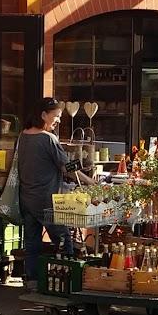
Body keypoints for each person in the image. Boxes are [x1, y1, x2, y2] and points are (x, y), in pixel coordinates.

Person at [17, 97, 94, 290]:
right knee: (63, 240)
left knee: (32, 242)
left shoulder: (23, 136)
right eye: (56, 116)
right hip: (47, 200)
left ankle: (32, 280)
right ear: (43, 115)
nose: (59, 120)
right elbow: (67, 167)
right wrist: (89, 180)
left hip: (27, 198)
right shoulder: (47, 138)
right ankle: (64, 281)